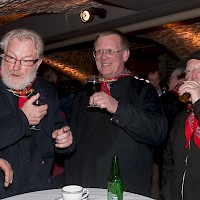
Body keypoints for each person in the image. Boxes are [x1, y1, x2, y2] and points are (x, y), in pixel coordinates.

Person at [64, 30, 167, 197]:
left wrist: (118, 108)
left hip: (123, 188)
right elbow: (73, 141)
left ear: (125, 55)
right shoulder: (83, 92)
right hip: (82, 188)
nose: (103, 57)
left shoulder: (142, 90)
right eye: (99, 51)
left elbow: (158, 132)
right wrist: (63, 142)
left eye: (110, 51)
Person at [0, 28, 74, 198]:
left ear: (38, 63)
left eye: (26, 60)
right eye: (11, 57)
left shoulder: (46, 89)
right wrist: (23, 119)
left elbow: (57, 126)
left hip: (39, 189)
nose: (16, 67)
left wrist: (66, 140)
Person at [160, 50, 200, 200]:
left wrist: (198, 102)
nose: (192, 75)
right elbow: (169, 160)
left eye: (199, 70)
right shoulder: (182, 117)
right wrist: (166, 192)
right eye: (189, 71)